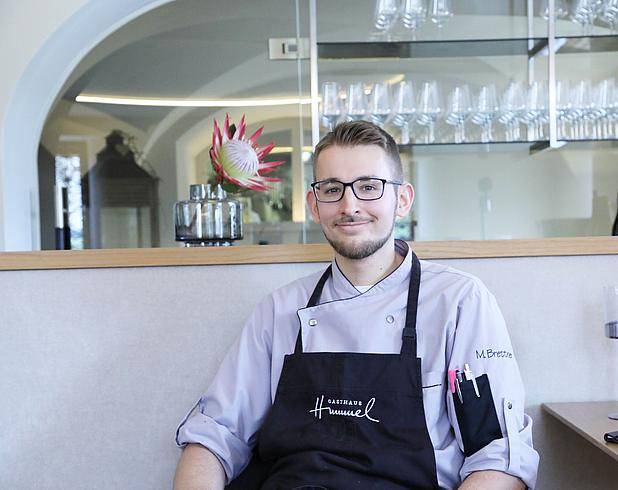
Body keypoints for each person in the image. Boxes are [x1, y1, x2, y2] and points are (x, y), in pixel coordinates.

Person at [173, 120, 539, 489]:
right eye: (332, 189)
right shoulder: (279, 310)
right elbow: (213, 435)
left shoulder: (458, 302)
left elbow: (500, 456)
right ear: (314, 206)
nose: (350, 206)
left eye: (368, 187)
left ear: (402, 199)